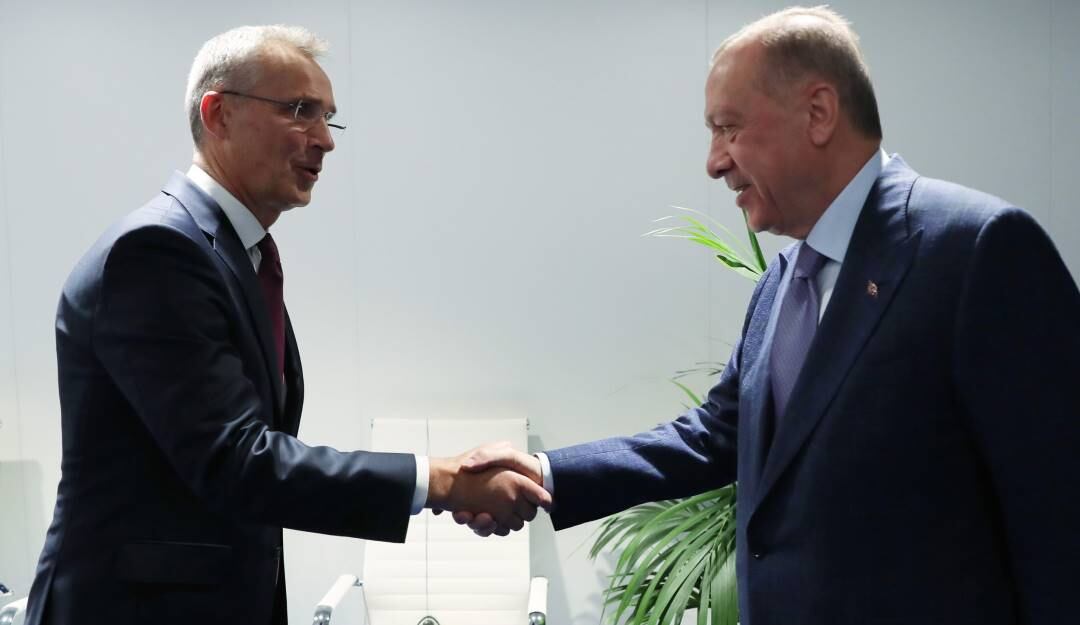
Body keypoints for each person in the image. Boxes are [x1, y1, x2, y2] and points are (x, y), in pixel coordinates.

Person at [459, 6, 1080, 624]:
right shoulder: (782, 281)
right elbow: (715, 437)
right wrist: (545, 474)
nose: (714, 161)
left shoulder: (976, 249)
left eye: (728, 128)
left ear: (818, 113)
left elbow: (1059, 510)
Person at [24, 25, 548, 625]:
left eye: (328, 118)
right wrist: (443, 481)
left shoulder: (238, 256)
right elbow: (235, 459)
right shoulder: (156, 252)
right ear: (218, 114)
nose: (324, 140)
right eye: (300, 111)